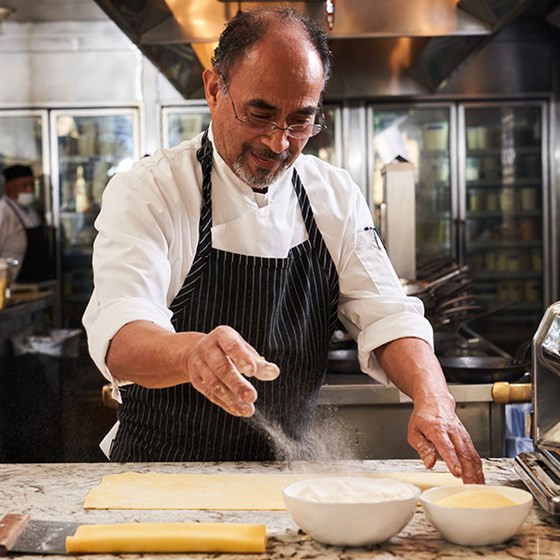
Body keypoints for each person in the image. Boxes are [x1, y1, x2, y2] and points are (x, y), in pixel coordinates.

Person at [83, 7, 484, 483]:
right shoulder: (151, 189)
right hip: (158, 478)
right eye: (261, 114)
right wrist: (190, 354)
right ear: (214, 90)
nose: (279, 142)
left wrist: (432, 396)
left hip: (290, 480)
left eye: (301, 122)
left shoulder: (332, 195)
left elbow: (388, 315)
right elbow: (121, 334)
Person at [0, 164, 53, 283]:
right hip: (13, 285)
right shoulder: (3, 212)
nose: (29, 190)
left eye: (32, 185)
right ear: (7, 187)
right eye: (24, 186)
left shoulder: (31, 211)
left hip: (38, 284)